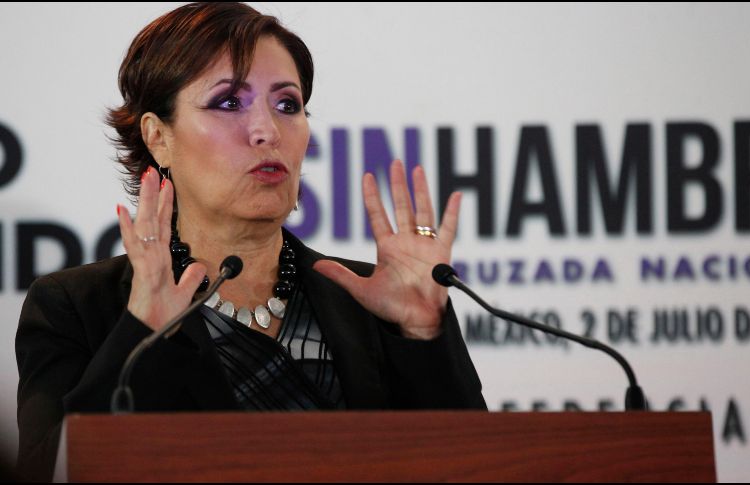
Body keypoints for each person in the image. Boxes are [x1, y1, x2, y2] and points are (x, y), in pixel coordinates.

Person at [15, 2, 486, 481]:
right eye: (228, 102)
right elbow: (49, 471)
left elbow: (478, 464)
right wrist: (142, 335)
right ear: (158, 137)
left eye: (287, 105)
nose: (267, 132)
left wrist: (422, 336)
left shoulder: (373, 301)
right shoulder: (75, 307)